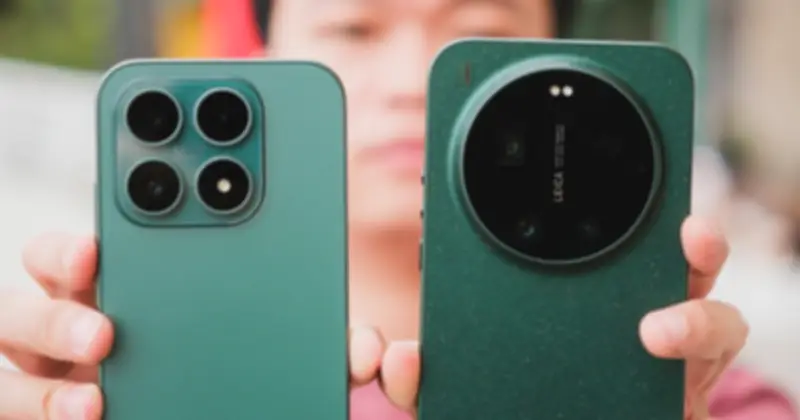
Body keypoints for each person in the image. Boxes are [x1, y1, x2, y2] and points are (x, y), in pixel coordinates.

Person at [0, 0, 796, 419]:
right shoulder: (121, 378)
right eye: (354, 25)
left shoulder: (707, 402)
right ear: (265, 61)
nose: (412, 78)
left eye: (478, 31)